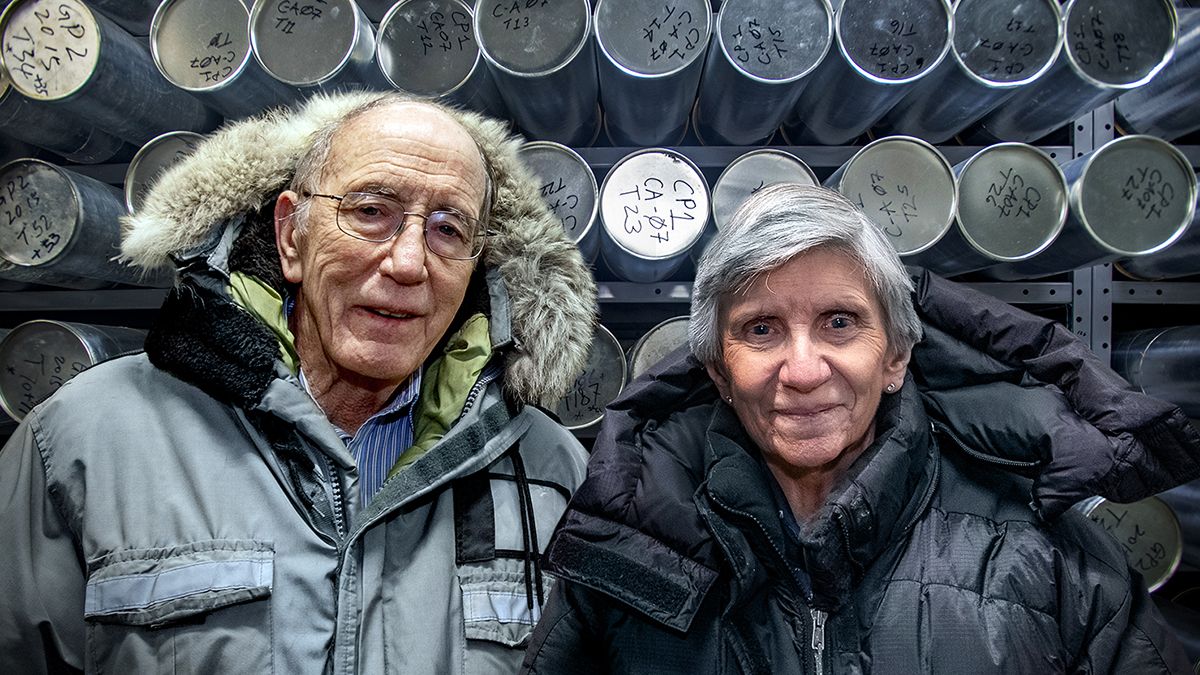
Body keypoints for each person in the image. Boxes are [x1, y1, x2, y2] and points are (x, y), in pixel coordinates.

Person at [0, 92, 597, 673]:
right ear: (292, 235)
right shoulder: (86, 442)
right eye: (370, 212)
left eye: (448, 230)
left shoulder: (549, 470)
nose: (410, 263)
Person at [521, 184, 1200, 673]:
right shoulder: (625, 552)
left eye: (839, 322)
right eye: (761, 329)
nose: (804, 369)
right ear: (721, 375)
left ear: (897, 355)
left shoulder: (1050, 554)